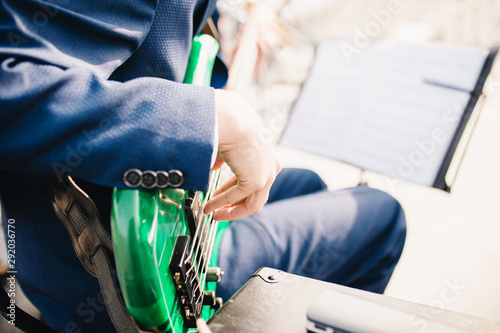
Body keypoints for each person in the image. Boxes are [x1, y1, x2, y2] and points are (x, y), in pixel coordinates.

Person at [0, 0, 406, 332]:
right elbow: (11, 88)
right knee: (381, 215)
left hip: (157, 213)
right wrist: (204, 121)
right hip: (124, 275)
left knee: (306, 183)